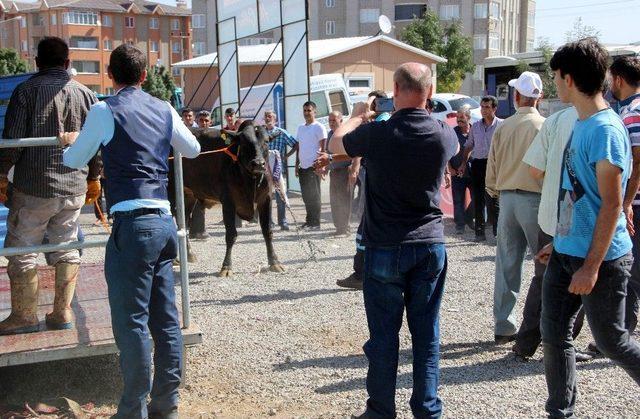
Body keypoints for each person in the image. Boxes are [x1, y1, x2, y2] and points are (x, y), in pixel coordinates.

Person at [59, 44, 200, 419]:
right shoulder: (164, 108)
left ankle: (132, 409)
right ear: (143, 75)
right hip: (164, 222)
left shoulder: (105, 110)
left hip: (132, 224)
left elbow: (73, 160)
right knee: (165, 319)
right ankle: (166, 403)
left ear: (110, 74)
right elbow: (194, 148)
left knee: (131, 321)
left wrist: (72, 141)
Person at [329, 63, 458, 418]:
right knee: (426, 336)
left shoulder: (378, 132)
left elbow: (335, 143)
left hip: (385, 245)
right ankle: (427, 409)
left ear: (396, 89)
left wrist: (357, 114)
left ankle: (381, 410)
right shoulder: (445, 134)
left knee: (384, 338)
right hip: (429, 244)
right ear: (430, 92)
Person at [539, 38, 640, 417]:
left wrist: (591, 266)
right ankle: (559, 411)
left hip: (601, 261)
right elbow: (574, 191)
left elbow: (613, 204)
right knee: (554, 336)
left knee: (612, 340)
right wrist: (559, 239)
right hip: (567, 252)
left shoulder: (604, 130)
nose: (554, 85)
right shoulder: (581, 123)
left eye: (555, 77)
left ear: (567, 77)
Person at [0, 37, 101, 335]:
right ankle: (62, 312)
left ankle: (25, 316)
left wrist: (1, 175)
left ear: (37, 62)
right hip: (74, 186)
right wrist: (94, 177)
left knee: (22, 249)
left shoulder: (25, 91)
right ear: (68, 63)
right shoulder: (86, 94)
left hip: (34, 186)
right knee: (67, 247)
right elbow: (96, 144)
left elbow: (13, 144)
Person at [485, 71, 546, 345]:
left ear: (516, 96)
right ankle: (542, 324)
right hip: (536, 199)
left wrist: (495, 191)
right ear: (539, 97)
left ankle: (504, 324)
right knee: (544, 263)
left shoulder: (504, 127)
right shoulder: (546, 126)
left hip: (507, 198)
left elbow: (492, 167)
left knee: (507, 264)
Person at [610, 55, 640, 337]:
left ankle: (622, 333)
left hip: (636, 203)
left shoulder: (630, 113)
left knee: (629, 270)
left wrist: (626, 202)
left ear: (618, 79)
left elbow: (637, 161)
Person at [458, 96, 503, 241]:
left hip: (495, 165)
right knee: (478, 199)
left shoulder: (501, 125)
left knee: (495, 198)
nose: (483, 110)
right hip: (478, 164)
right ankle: (479, 232)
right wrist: (464, 163)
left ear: (494, 109)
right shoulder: (475, 126)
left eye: (487, 107)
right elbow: (468, 145)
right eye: (482, 107)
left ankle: (497, 232)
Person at [263, 110, 297, 231]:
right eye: (266, 117)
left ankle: (282, 221)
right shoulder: (261, 133)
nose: (268, 118)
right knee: (266, 197)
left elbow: (295, 144)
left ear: (275, 120)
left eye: (270, 117)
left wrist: (286, 156)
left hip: (278, 169)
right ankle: (269, 222)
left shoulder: (281, 132)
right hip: (265, 170)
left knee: (280, 195)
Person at [295, 101, 327, 230]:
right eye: (305, 110)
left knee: (314, 195)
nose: (307, 113)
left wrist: (321, 166)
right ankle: (309, 221)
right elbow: (299, 147)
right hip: (303, 166)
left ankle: (315, 223)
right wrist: (297, 164)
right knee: (306, 196)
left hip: (314, 167)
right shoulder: (301, 127)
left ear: (315, 111)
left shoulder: (319, 127)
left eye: (309, 110)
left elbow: (323, 148)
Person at [323, 110, 353, 236]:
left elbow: (351, 152)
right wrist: (325, 166)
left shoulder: (346, 133)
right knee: (335, 200)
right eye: (329, 120)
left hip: (345, 171)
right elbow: (327, 151)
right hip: (334, 171)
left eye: (334, 120)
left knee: (345, 199)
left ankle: (345, 228)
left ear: (341, 120)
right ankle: (338, 227)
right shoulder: (330, 134)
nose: (331, 123)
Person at [449, 106, 474, 234]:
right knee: (458, 199)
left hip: (473, 172)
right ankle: (460, 225)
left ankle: (468, 217)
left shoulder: (476, 131)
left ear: (468, 118)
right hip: (456, 172)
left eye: (462, 118)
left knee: (478, 198)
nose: (459, 121)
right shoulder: (452, 132)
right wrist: (450, 169)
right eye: (458, 118)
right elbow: (447, 151)